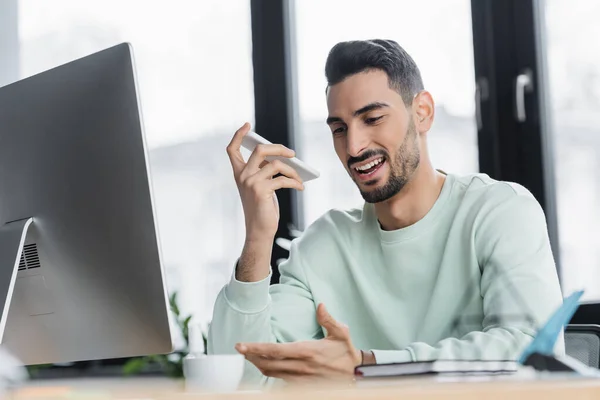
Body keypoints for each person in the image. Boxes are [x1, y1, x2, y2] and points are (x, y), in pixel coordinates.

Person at [208, 39, 563, 385]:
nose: (354, 146)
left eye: (373, 118)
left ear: (422, 112)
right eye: (339, 129)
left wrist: (368, 366)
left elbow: (530, 350)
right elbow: (240, 378)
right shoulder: (324, 245)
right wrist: (257, 236)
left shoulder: (499, 211)